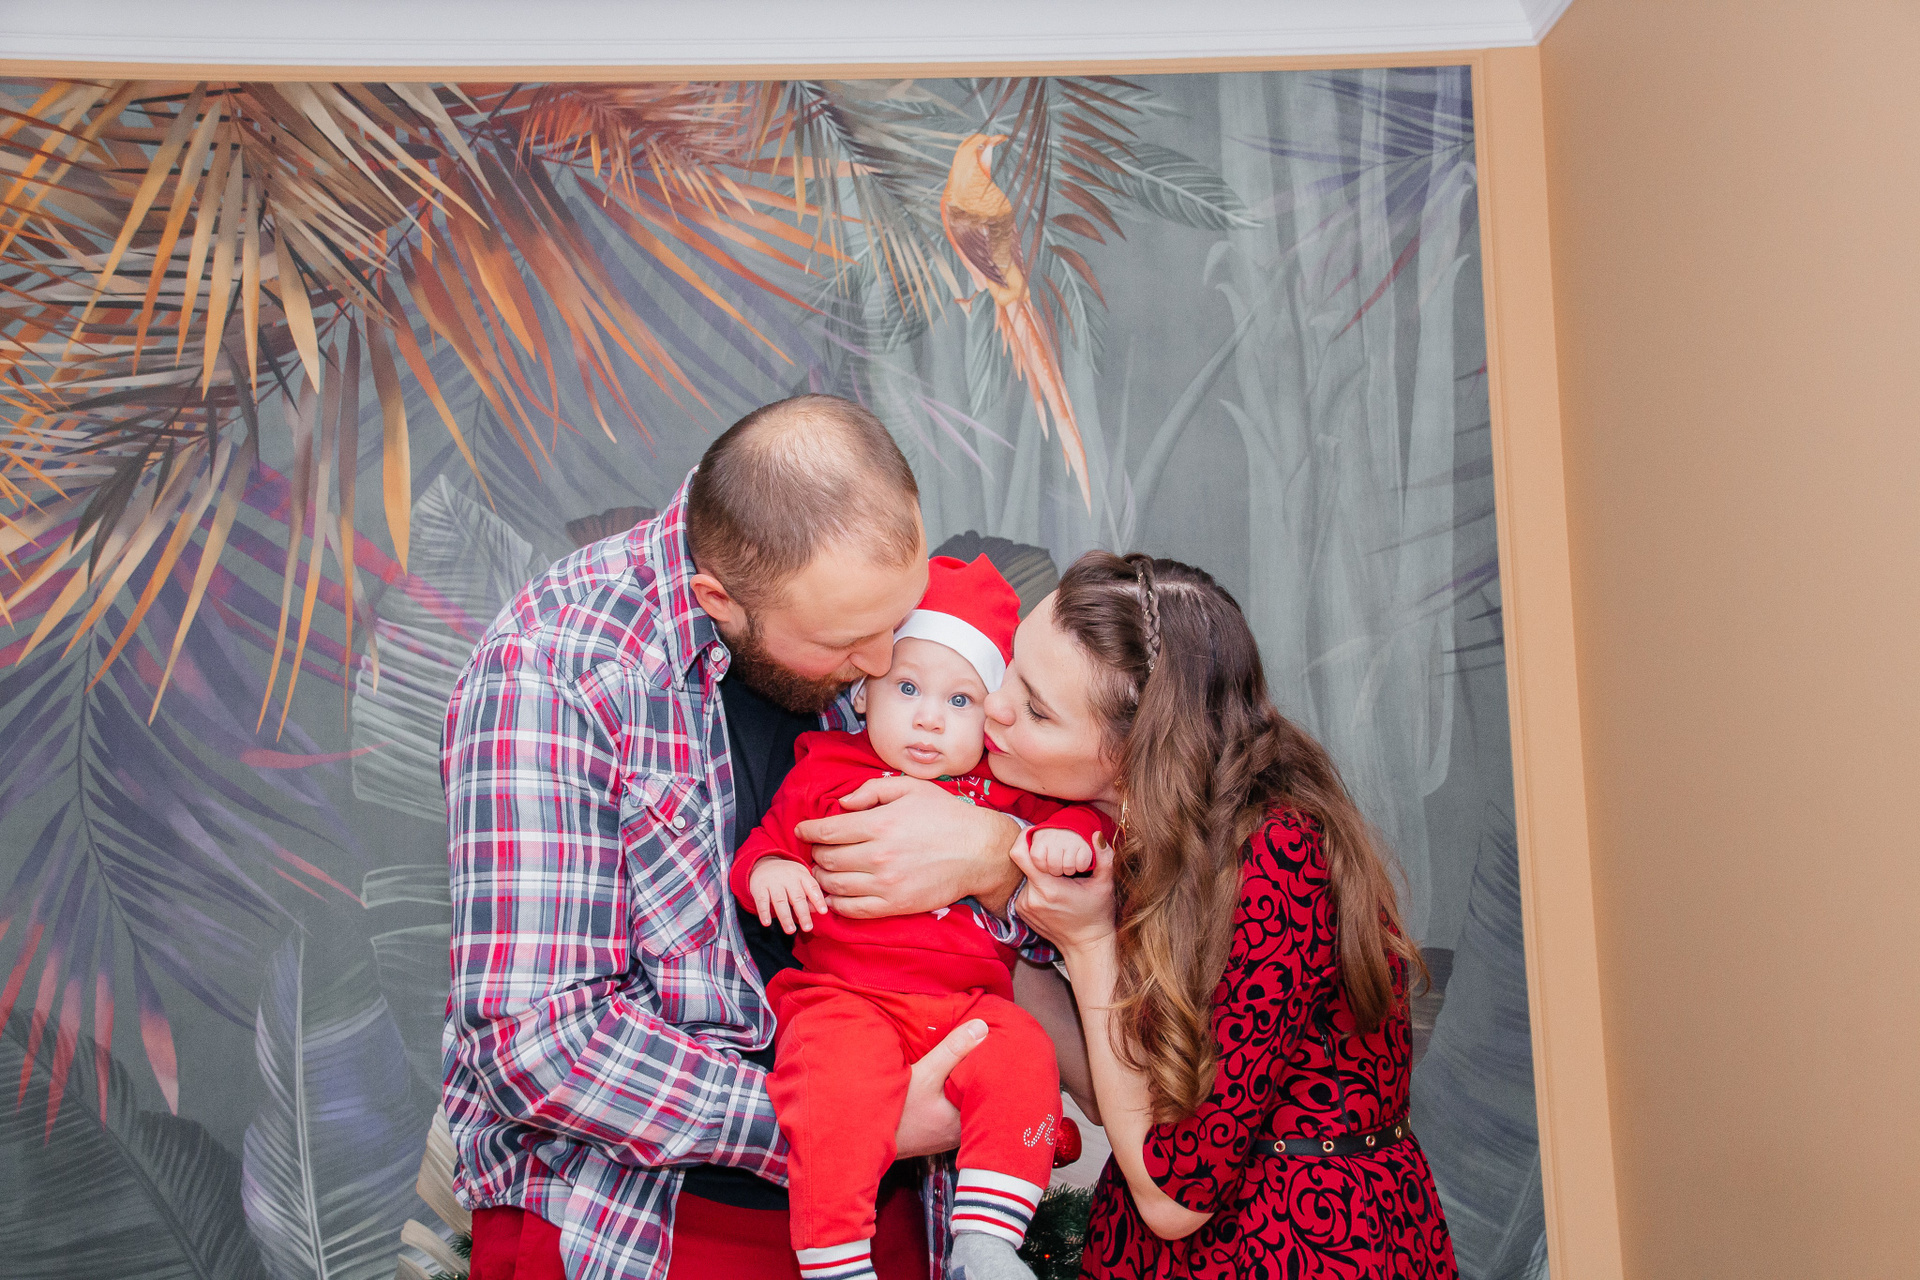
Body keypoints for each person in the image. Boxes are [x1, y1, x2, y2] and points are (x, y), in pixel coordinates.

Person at [442, 395, 1045, 1280]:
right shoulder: (554, 671)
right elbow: (536, 1044)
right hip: (642, 1225)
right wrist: (844, 1122)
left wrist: (994, 854)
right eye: (850, 642)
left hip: (894, 1205)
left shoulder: (854, 596)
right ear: (719, 600)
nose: (885, 665)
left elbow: (1057, 879)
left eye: (899, 620)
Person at [991, 552, 1461, 1279]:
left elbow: (1176, 1196)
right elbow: (1116, 1096)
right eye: (1009, 667)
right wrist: (996, 919)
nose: (994, 706)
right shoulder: (1132, 831)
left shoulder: (1280, 858)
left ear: (1136, 749)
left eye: (1037, 709)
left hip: (1297, 1244)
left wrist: (1086, 944)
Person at [730, 554, 1110, 1280]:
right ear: (865, 694)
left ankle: (987, 1244)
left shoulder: (997, 788)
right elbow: (764, 846)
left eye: (960, 700)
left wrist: (1064, 838)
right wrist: (772, 872)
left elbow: (1084, 827)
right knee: (833, 1089)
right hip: (844, 997)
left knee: (1025, 1055)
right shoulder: (826, 766)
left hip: (965, 1005)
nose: (930, 719)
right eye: (907, 689)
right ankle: (835, 1255)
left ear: (990, 718)